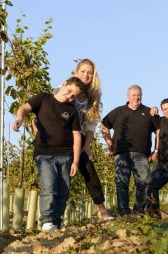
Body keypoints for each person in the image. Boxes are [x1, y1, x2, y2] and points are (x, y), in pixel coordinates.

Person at [33, 59, 113, 220]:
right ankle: (48, 216)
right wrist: (35, 120)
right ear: (76, 73)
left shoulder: (93, 98)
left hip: (79, 137)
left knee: (88, 168)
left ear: (93, 76)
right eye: (83, 71)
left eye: (90, 73)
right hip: (60, 135)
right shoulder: (64, 88)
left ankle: (101, 208)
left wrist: (87, 146)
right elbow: (47, 107)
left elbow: (91, 126)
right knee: (54, 177)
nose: (86, 75)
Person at [13, 77, 85, 232]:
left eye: (74, 96)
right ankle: (46, 221)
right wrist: (20, 118)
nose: (70, 96)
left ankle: (56, 222)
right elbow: (24, 108)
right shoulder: (44, 98)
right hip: (44, 153)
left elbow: (77, 136)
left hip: (66, 155)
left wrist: (76, 161)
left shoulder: (72, 110)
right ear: (64, 84)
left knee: (63, 191)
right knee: (49, 186)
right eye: (69, 91)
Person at [100, 85, 160, 217]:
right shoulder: (119, 111)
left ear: (141, 96)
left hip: (142, 155)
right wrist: (110, 143)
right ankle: (124, 212)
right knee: (122, 183)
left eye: (138, 95)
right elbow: (104, 125)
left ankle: (138, 211)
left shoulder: (149, 112)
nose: (136, 98)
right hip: (121, 154)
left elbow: (158, 131)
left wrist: (156, 150)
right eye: (133, 95)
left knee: (144, 183)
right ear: (128, 97)